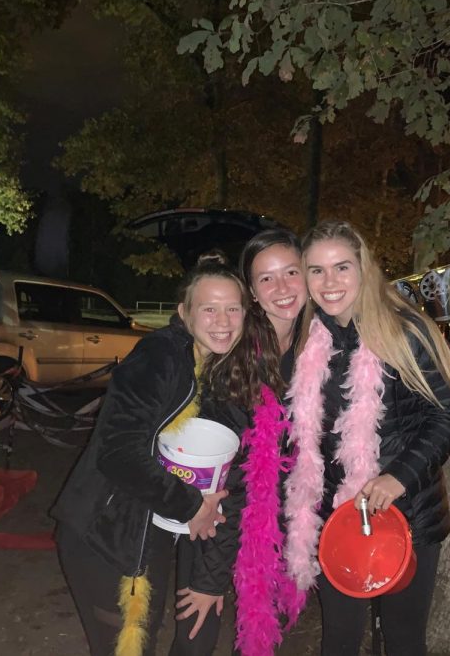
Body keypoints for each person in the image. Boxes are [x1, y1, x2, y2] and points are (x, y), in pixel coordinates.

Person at [283, 221, 450, 655]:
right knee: (340, 641)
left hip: (407, 519)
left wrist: (397, 478)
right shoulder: (310, 339)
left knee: (402, 642)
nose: (330, 283)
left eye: (341, 267)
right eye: (316, 270)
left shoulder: (403, 331)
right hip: (338, 520)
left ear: (364, 268)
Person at [51, 253, 246, 656]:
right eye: (209, 309)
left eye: (232, 308)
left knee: (146, 636)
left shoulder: (214, 368)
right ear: (184, 312)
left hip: (147, 532)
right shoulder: (160, 356)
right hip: (101, 533)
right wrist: (191, 505)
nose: (223, 321)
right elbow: (117, 451)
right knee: (123, 647)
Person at [172, 229, 310, 656]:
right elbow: (217, 478)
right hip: (215, 523)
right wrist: (211, 576)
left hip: (284, 527)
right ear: (251, 292)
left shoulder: (320, 345)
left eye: (291, 272)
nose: (283, 288)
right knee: (196, 635)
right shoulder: (237, 357)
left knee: (260, 639)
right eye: (267, 279)